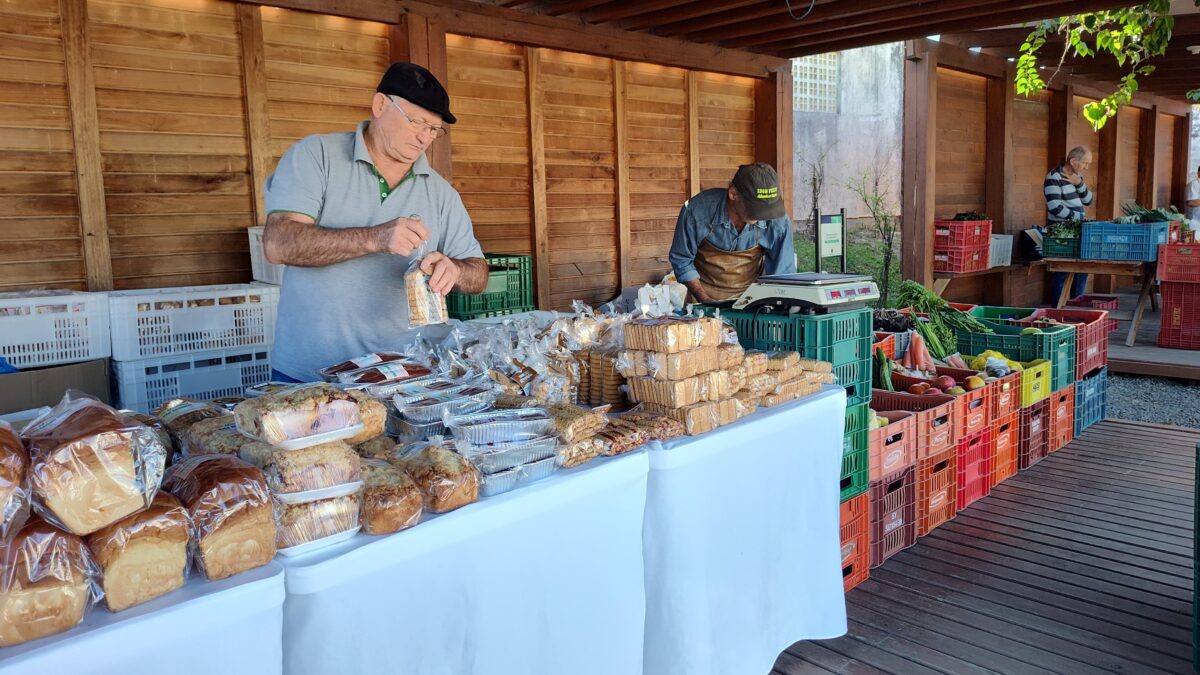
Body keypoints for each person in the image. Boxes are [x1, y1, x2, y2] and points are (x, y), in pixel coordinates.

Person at [262, 62, 489, 382]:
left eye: (434, 129)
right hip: (307, 375)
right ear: (380, 105)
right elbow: (278, 244)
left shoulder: (441, 193)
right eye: (416, 121)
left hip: (402, 375)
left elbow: (478, 274)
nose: (425, 137)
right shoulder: (317, 156)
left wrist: (455, 269)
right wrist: (374, 238)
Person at [668, 163, 796, 304]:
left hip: (753, 301)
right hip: (703, 299)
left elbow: (783, 274)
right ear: (733, 194)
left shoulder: (777, 220)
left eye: (765, 210)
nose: (760, 216)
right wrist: (705, 300)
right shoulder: (696, 212)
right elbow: (682, 259)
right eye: (756, 208)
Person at [1044, 146, 1094, 302]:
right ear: (1073, 161)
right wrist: (1079, 217)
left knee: (1083, 269)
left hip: (1077, 229)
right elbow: (1055, 207)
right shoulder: (1053, 177)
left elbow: (1089, 201)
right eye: (1085, 163)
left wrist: (1079, 183)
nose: (1086, 167)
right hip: (1061, 232)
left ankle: (1077, 305)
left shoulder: (1077, 176)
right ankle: (1057, 308)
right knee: (1062, 271)